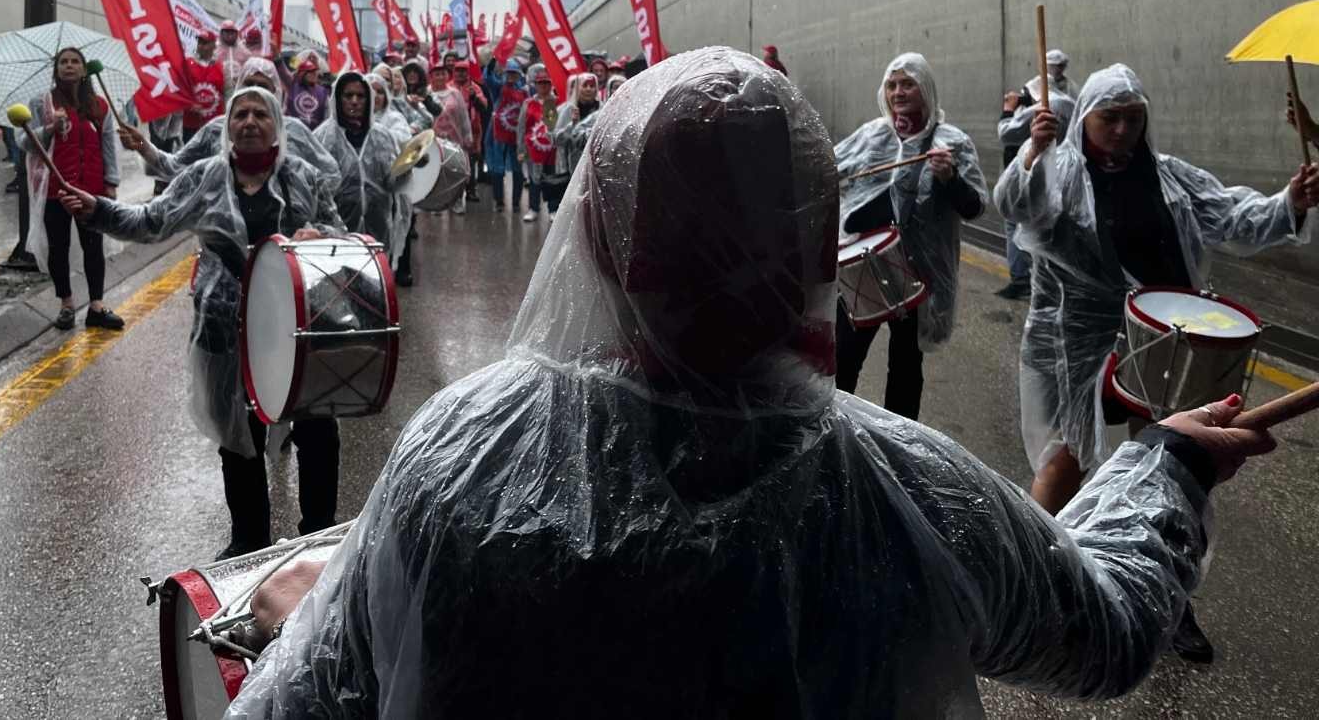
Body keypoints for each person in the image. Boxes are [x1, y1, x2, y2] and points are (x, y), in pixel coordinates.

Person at [228, 47, 1277, 718]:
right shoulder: (910, 489)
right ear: (824, 248)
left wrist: (315, 615)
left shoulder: (460, 462)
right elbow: (1105, 632)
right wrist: (1168, 464)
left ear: (595, 232)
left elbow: (288, 707)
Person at [995, 63, 1315, 663]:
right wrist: (1033, 150)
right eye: (1108, 118)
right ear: (1083, 120)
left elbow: (1232, 215)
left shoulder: (1169, 178)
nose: (1121, 130)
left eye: (1133, 118)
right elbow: (1017, 208)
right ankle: (1028, 575)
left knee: (1170, 469)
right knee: (1067, 456)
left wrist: (1289, 201)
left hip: (1162, 343)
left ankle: (1168, 600)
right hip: (1077, 343)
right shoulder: (1059, 173)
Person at [63, 86, 342, 558]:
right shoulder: (206, 177)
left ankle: (318, 535)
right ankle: (248, 540)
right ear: (228, 126)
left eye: (260, 114)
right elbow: (152, 221)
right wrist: (98, 209)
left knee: (317, 430)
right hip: (225, 328)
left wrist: (321, 236)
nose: (249, 122)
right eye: (240, 115)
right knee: (238, 437)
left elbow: (339, 234)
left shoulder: (304, 178)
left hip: (297, 328)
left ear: (277, 124)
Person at [834, 53, 987, 421]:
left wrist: (950, 178)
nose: (898, 92)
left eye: (908, 83)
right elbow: (828, 171)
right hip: (863, 267)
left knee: (904, 366)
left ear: (926, 89)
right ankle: (833, 433)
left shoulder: (951, 142)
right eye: (892, 84)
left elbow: (974, 207)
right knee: (843, 359)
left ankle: (900, 443)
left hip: (917, 273)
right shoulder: (871, 136)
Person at [24, 47, 124, 331]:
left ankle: (96, 306)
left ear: (84, 69)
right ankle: (66, 304)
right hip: (56, 189)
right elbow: (25, 142)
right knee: (59, 247)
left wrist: (111, 183)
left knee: (93, 247)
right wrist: (49, 128)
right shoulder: (41, 103)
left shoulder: (99, 105)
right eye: (63, 62)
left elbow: (108, 147)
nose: (69, 66)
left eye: (75, 62)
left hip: (92, 189)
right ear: (56, 70)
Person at [118, 59, 340, 184]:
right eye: (249, 84)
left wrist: (303, 200)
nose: (255, 92)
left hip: (277, 251)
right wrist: (140, 145)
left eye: (263, 87)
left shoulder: (295, 131)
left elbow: (331, 175)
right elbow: (174, 167)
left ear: (276, 92)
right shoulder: (216, 129)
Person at [996, 53, 1078, 299]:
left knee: (1016, 226)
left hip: (1033, 180)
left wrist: (1009, 109)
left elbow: (1006, 133)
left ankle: (1021, 278)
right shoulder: (1071, 99)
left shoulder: (1041, 107)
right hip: (1064, 180)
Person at [314, 71, 408, 283]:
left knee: (376, 284)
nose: (354, 102)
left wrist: (407, 168)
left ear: (370, 100)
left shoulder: (383, 137)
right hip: (338, 231)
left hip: (378, 226)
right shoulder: (322, 138)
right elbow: (317, 189)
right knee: (342, 287)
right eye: (348, 96)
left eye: (360, 96)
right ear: (337, 98)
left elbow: (393, 182)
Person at [516, 66, 563, 222]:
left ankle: (553, 208)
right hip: (533, 150)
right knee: (534, 179)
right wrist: (520, 149)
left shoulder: (558, 102)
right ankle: (533, 208)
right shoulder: (528, 103)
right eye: (540, 83)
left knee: (553, 179)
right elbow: (521, 127)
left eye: (546, 83)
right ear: (535, 85)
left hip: (552, 150)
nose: (543, 86)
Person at [428, 60, 472, 214]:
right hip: (434, 140)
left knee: (456, 169)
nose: (440, 77)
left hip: (454, 139)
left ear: (447, 75)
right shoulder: (427, 94)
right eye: (436, 74)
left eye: (442, 73)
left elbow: (463, 116)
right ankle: (436, 202)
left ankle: (457, 200)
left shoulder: (455, 93)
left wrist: (468, 135)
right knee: (435, 171)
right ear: (431, 76)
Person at [484, 57, 528, 211]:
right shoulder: (498, 87)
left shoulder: (524, 91)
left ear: (519, 75)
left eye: (514, 73)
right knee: (498, 168)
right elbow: (488, 78)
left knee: (517, 169)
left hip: (517, 136)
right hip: (499, 135)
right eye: (509, 73)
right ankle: (499, 201)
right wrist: (492, 62)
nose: (511, 76)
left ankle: (516, 203)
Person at [550, 71, 601, 180]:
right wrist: (572, 125)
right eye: (585, 85)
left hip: (595, 168)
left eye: (592, 86)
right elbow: (555, 139)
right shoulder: (568, 109)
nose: (588, 89)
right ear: (578, 88)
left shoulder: (602, 109)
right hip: (569, 171)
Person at [453, 57, 487, 203]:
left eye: (464, 71)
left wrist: (475, 98)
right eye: (458, 71)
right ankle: (455, 194)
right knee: (455, 163)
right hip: (453, 132)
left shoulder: (475, 87)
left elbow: (483, 107)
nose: (461, 74)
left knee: (471, 162)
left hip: (472, 131)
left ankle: (471, 190)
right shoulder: (449, 87)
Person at [184, 33, 225, 143]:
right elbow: (181, 89)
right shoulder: (187, 63)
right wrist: (188, 104)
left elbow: (227, 93)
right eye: (199, 42)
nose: (201, 46)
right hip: (191, 123)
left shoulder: (221, 67)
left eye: (205, 43)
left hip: (213, 124)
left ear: (213, 46)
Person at [281, 51, 330, 131]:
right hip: (290, 134)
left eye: (315, 71)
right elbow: (282, 70)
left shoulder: (323, 92)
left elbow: (327, 119)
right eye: (310, 72)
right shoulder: (291, 84)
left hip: (313, 138)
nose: (314, 74)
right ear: (302, 74)